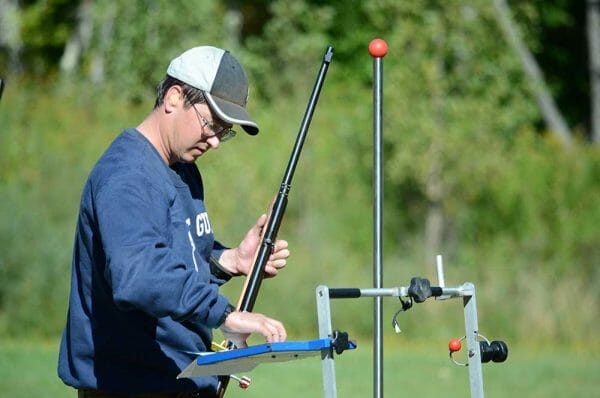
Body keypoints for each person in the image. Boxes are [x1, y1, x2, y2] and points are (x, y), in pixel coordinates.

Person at [58, 45, 290, 397]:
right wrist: (225, 315)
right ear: (174, 97)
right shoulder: (128, 176)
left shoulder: (182, 171)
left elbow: (176, 257)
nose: (215, 141)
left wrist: (230, 260)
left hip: (177, 379)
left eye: (225, 131)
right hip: (129, 384)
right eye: (212, 124)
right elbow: (139, 274)